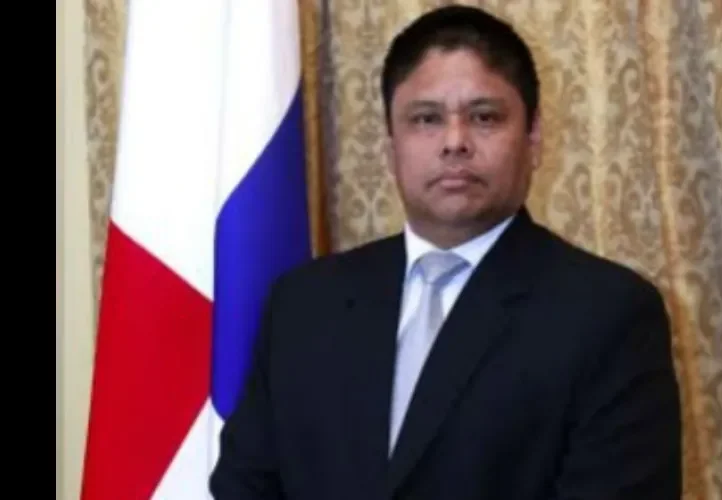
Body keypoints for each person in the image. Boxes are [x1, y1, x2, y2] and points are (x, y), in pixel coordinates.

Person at [209, 4, 682, 499]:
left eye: (484, 117)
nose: (455, 142)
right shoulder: (303, 304)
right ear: (390, 146)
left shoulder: (608, 314)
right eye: (426, 119)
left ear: (534, 138)